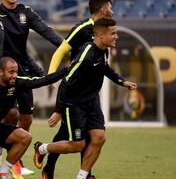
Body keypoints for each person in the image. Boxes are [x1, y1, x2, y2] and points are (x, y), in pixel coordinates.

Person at [34, 18, 137, 179]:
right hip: (74, 105)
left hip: (91, 102)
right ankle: (42, 149)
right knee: (77, 145)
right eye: (113, 33)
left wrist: (122, 81)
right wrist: (58, 111)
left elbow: (105, 68)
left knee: (99, 137)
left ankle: (82, 177)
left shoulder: (104, 50)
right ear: (101, 35)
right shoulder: (85, 56)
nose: (116, 36)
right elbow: (65, 84)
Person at [0, 0, 64, 176]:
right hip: (0, 73)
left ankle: (12, 159)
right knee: (8, 115)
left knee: (26, 117)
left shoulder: (25, 12)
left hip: (22, 72)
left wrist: (67, 46)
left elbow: (47, 31)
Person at [42, 0, 113, 179]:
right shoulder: (82, 28)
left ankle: (85, 174)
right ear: (104, 9)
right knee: (67, 133)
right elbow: (60, 52)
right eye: (111, 8)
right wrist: (52, 78)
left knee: (94, 135)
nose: (112, 11)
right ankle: (49, 166)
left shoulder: (106, 31)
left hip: (91, 92)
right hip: (73, 90)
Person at [0, 57, 66, 179]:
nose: (14, 75)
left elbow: (42, 80)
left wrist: (66, 70)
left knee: (25, 137)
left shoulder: (18, 83)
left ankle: (2, 173)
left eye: (16, 72)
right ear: (1, 72)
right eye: (11, 72)